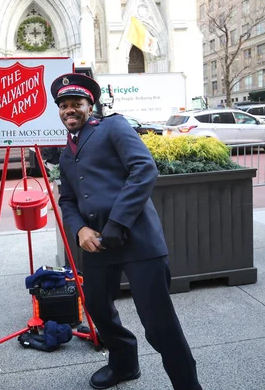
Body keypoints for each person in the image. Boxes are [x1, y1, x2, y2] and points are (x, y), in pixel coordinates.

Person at [51, 73, 202, 390]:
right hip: (96, 246)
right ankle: (124, 363)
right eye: (63, 106)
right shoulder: (66, 152)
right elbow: (67, 200)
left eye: (75, 104)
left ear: (89, 105)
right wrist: (79, 230)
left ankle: (188, 384)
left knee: (159, 324)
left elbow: (144, 168)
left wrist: (117, 224)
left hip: (137, 240)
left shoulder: (113, 127)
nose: (69, 110)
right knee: (97, 308)